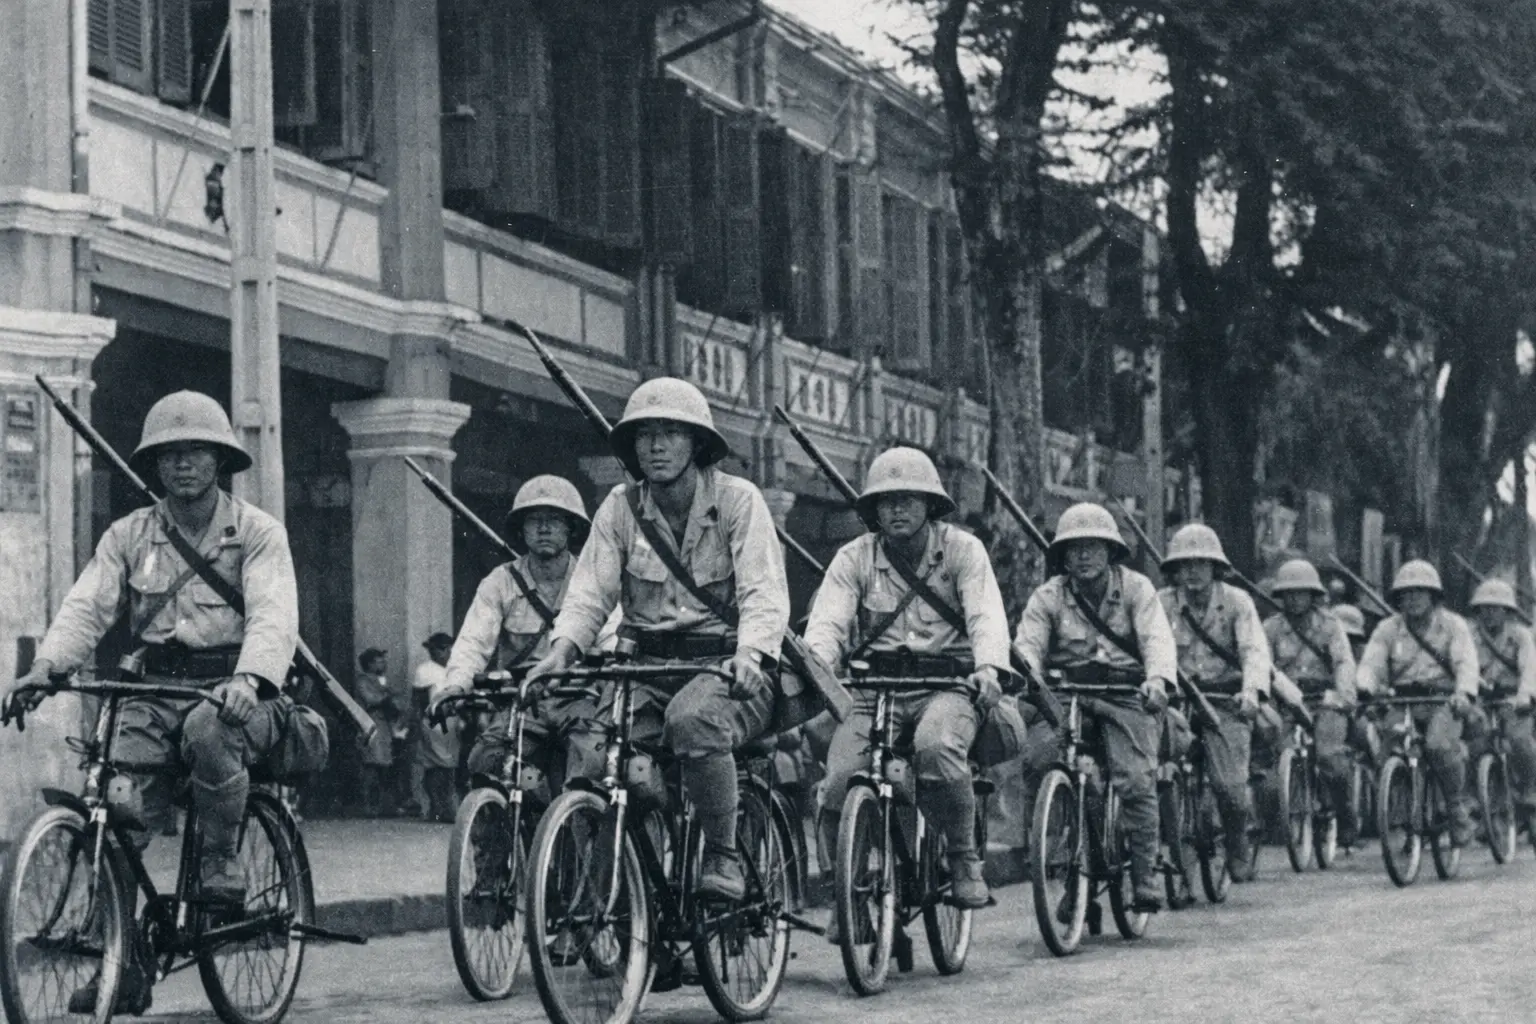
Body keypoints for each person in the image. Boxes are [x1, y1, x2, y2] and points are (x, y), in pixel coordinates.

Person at [2, 390, 322, 1015]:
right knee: (114, 801)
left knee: (209, 729)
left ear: (220, 460)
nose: (182, 465)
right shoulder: (129, 534)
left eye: (195, 452)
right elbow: (87, 606)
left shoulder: (257, 532)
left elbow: (275, 618)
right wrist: (45, 669)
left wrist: (251, 680)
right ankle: (121, 963)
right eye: (169, 455)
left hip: (236, 692)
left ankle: (221, 864)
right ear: (154, 465)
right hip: (154, 691)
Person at [525, 377, 789, 902]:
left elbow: (764, 593)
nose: (656, 445)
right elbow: (589, 596)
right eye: (644, 435)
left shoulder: (739, 502)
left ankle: (722, 853)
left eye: (671, 433)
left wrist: (750, 655)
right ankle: (612, 901)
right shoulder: (620, 509)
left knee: (692, 720)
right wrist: (559, 653)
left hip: (727, 671)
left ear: (697, 443)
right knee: (595, 756)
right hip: (645, 669)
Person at [807, 447, 1012, 912]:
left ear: (930, 504)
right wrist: (818, 664)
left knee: (937, 748)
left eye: (908, 498)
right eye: (886, 500)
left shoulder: (962, 550)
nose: (897, 508)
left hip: (949, 686)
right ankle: (847, 894)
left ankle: (963, 858)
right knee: (838, 780)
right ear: (874, 509)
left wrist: (988, 668)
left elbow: (986, 616)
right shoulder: (854, 557)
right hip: (871, 691)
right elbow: (828, 623)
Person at [1014, 502, 1178, 913]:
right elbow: (1028, 645)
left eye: (1094, 546)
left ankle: (1144, 875)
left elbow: (1158, 640)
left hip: (1125, 697)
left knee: (1137, 779)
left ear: (1110, 551)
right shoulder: (1048, 596)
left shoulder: (1137, 589)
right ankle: (1069, 873)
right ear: (1063, 557)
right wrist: (1027, 675)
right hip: (1066, 696)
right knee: (1042, 762)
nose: (1084, 556)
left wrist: (1157, 679)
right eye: (1074, 548)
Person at [429, 475, 596, 796]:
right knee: (486, 760)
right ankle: (491, 841)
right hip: (522, 704)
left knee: (591, 769)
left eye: (554, 520)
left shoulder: (591, 582)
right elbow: (473, 644)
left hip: (579, 704)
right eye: (534, 520)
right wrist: (455, 685)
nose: (544, 528)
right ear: (522, 529)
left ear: (571, 528)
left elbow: (610, 642)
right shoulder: (501, 582)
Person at [1157, 523, 1272, 881]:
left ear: (1215, 567)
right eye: (1184, 564)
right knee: (1151, 772)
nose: (1192, 572)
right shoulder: (1161, 604)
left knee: (1230, 787)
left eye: (1200, 563)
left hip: (1225, 701)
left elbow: (1254, 652)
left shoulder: (1238, 603)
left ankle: (1237, 838)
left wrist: (1251, 692)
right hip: (1175, 699)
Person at [1355, 560, 1479, 846]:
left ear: (1433, 595)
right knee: (1389, 746)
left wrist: (1464, 693)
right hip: (1402, 700)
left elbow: (1466, 663)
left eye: (1419, 592)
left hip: (1442, 700)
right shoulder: (1388, 628)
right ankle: (1400, 807)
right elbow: (1372, 662)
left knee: (1438, 745)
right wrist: (1365, 687)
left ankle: (1456, 808)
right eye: (1406, 594)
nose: (1412, 600)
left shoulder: (1453, 625)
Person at [1263, 559, 1359, 845]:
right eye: (1288, 593)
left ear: (1313, 594)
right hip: (1287, 701)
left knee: (1331, 757)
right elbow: (1263, 665)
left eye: (1301, 592)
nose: (1294, 599)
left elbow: (1343, 662)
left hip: (1325, 700)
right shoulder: (1270, 628)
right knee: (1276, 759)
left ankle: (1345, 815)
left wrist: (1343, 696)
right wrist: (1267, 702)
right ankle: (1284, 817)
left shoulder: (1330, 625)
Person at [1464, 579, 1536, 834]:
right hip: (1482, 697)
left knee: (1519, 740)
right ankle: (1481, 803)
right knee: (1475, 746)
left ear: (1508, 611)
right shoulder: (1470, 636)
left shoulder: (1521, 636)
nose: (1489, 613)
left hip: (1514, 699)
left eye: (1496, 608)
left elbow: (1530, 668)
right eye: (1484, 608)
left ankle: (1530, 790)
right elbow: (1462, 664)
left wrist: (1525, 697)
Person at [413, 632, 461, 822]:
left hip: (453, 719)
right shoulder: (425, 670)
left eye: (447, 649)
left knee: (447, 766)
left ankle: (441, 806)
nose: (444, 653)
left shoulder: (454, 668)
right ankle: (440, 806)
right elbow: (417, 700)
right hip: (435, 719)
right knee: (440, 765)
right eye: (439, 649)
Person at [353, 646, 400, 816]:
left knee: (384, 766)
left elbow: (396, 696)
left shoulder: (382, 680)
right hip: (369, 725)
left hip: (384, 726)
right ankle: (367, 805)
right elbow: (371, 699)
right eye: (379, 661)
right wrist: (387, 696)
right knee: (370, 765)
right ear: (370, 664)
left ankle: (383, 805)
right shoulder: (363, 681)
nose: (384, 664)